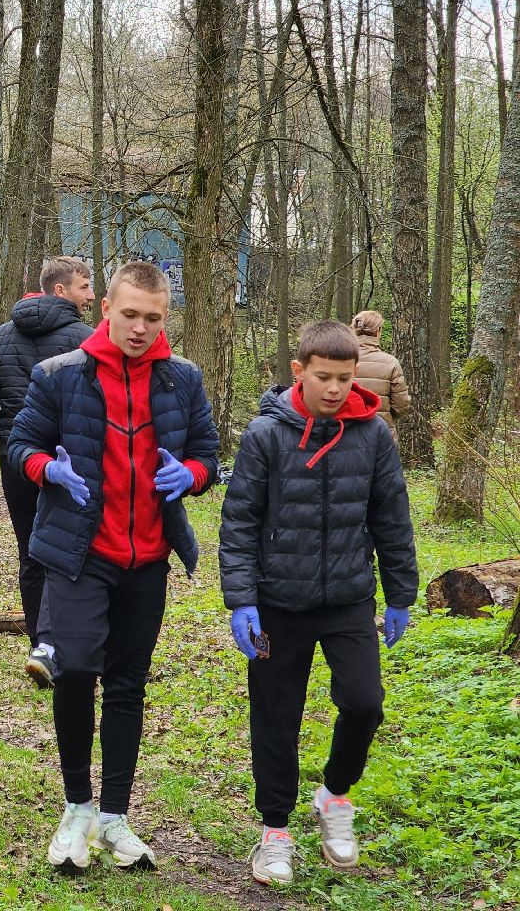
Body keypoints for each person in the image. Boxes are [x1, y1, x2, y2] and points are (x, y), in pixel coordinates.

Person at [7, 260, 219, 872]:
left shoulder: (183, 380)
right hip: (81, 554)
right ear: (105, 307)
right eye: (130, 314)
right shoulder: (59, 375)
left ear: (165, 319)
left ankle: (115, 817)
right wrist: (48, 469)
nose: (140, 328)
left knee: (127, 685)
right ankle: (76, 807)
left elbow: (207, 453)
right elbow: (17, 444)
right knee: (74, 671)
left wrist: (195, 475)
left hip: (147, 558)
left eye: (153, 318)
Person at [219, 320, 418, 887]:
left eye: (345, 378)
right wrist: (241, 600)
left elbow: (391, 518)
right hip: (276, 604)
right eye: (324, 377)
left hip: (348, 598)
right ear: (298, 372)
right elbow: (238, 524)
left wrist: (400, 592)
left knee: (364, 702)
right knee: (275, 718)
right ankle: (275, 832)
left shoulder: (373, 435)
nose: (334, 389)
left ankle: (333, 796)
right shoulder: (265, 434)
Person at [0, 255, 95, 686]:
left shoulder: (3, 336)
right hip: (74, 461)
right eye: (85, 287)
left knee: (32, 552)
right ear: (60, 291)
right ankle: (63, 644)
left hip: (19, 460)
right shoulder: (88, 339)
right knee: (72, 551)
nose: (91, 296)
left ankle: (40, 643)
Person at [350, 310, 411, 445]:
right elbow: (402, 404)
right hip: (382, 436)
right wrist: (385, 414)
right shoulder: (390, 362)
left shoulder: (342, 359)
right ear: (378, 331)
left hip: (346, 434)